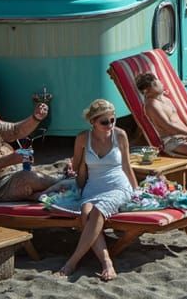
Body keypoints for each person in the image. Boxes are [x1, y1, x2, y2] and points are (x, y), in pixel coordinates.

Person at [56, 99, 138, 281]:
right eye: (104, 121)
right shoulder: (83, 138)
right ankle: (106, 260)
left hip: (118, 186)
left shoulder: (120, 135)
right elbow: (76, 167)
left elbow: (126, 166)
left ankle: (74, 262)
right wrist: (77, 165)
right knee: (86, 213)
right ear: (92, 121)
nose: (110, 125)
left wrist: (136, 191)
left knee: (98, 211)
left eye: (113, 120)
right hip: (93, 187)